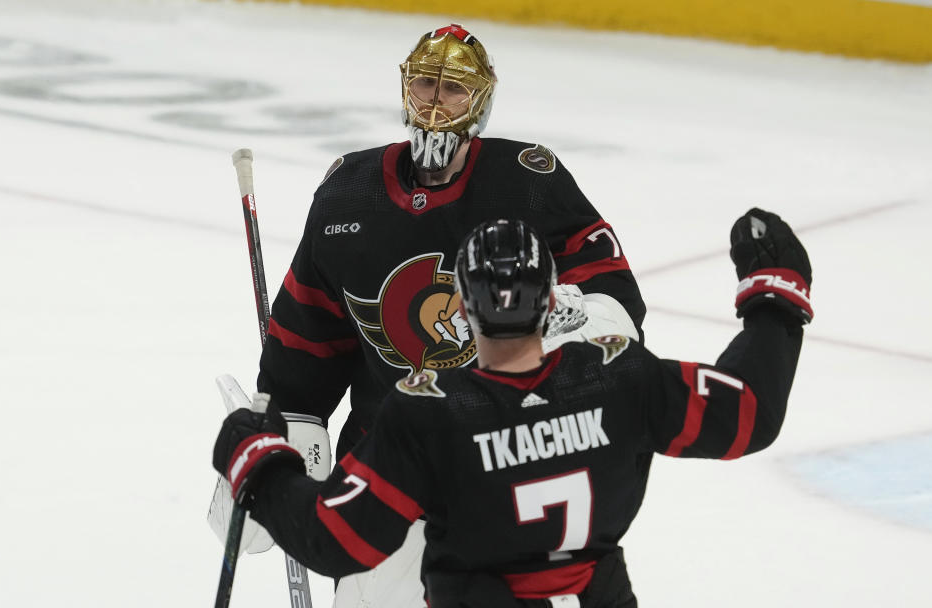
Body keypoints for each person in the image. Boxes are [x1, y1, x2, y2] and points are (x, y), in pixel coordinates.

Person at [223, 23, 649, 605]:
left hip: (505, 456)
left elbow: (614, 300)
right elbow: (308, 334)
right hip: (386, 459)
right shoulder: (349, 194)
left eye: (454, 88)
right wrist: (283, 445)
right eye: (426, 82)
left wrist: (580, 317)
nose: (435, 100)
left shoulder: (528, 182)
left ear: (481, 100)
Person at [213, 211, 812, 607]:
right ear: (552, 301)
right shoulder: (622, 377)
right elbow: (750, 412)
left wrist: (259, 465)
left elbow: (340, 539)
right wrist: (774, 295)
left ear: (463, 311)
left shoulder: (431, 415)